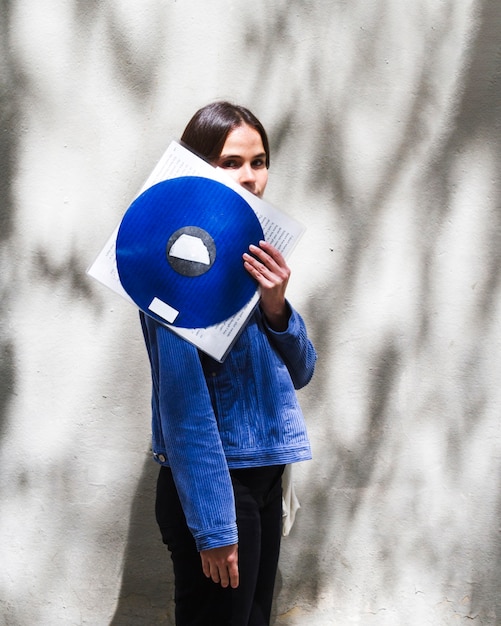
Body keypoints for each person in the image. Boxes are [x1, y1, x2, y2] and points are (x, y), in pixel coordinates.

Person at [140, 101, 316, 626]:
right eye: (230, 162)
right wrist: (215, 529)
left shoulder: (254, 255)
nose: (250, 177)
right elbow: (184, 408)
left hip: (264, 474)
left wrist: (277, 306)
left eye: (259, 162)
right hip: (219, 491)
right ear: (198, 167)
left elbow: (302, 371)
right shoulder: (172, 264)